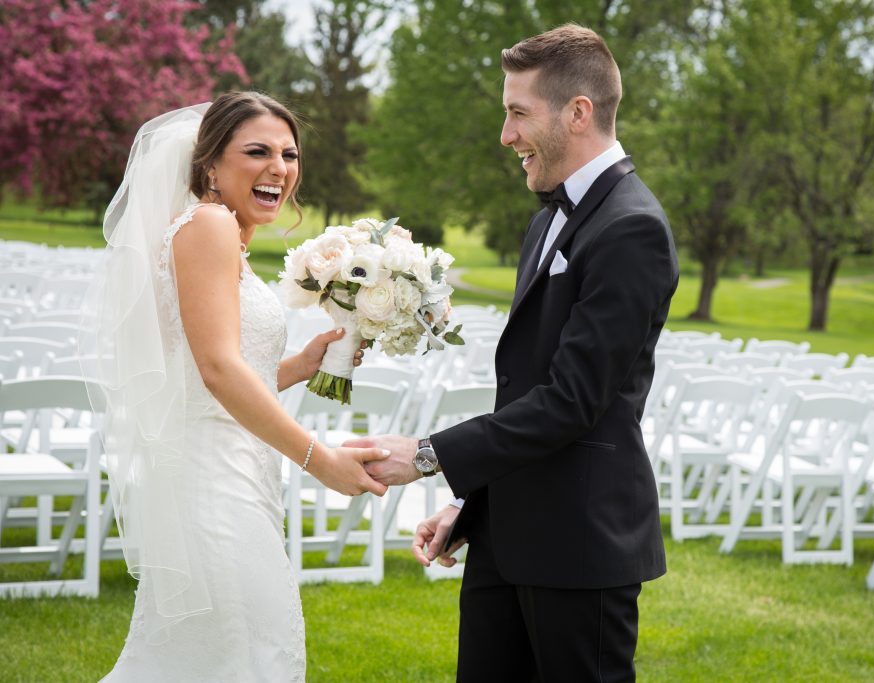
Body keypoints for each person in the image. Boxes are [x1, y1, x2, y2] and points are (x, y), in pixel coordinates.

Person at [347, 24, 679, 682]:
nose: (506, 136)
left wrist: (425, 455)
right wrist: (474, 511)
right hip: (509, 538)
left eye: (518, 114)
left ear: (577, 112)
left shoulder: (631, 228)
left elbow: (572, 402)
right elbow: (527, 395)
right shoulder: (545, 219)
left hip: (580, 550)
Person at [88, 92, 389, 682]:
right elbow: (218, 372)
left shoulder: (219, 232)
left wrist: (300, 364)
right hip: (212, 482)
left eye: (289, 154)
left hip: (235, 473)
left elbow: (206, 371)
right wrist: (318, 458)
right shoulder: (209, 224)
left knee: (225, 653)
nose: (279, 167)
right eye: (257, 151)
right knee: (248, 652)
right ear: (210, 164)